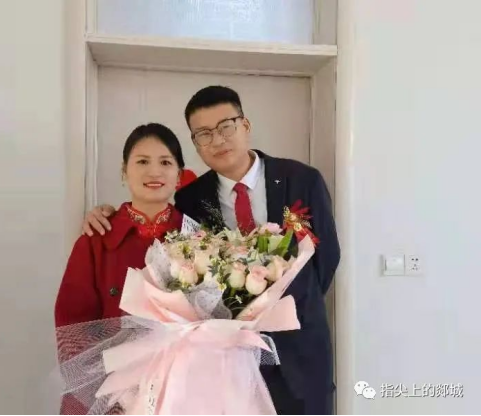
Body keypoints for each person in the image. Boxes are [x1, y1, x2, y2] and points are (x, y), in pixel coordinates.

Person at [82, 86, 341, 415]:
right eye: (203, 134)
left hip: (300, 350)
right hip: (225, 362)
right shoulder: (191, 199)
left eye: (226, 127)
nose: (217, 140)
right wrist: (105, 213)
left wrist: (286, 308)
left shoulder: (301, 179)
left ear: (245, 125)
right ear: (195, 143)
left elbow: (326, 260)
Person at [55, 123, 185, 327]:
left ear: (178, 176)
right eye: (142, 161)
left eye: (165, 162)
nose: (154, 172)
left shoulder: (197, 239)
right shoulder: (95, 241)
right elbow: (72, 324)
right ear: (124, 171)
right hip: (111, 348)